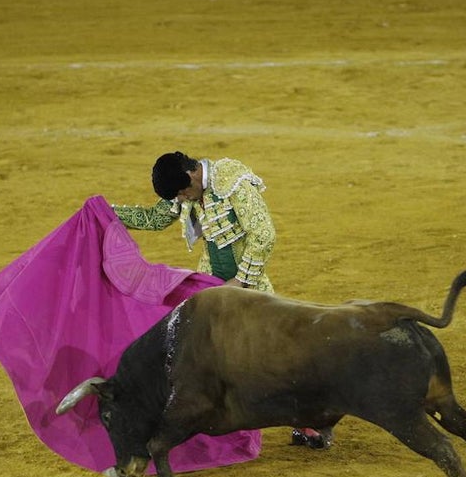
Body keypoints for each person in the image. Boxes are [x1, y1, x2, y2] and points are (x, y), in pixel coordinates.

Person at [112, 151, 332, 449]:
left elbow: (263, 235)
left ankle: (308, 421)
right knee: (206, 356)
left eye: (182, 192)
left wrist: (240, 281)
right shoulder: (187, 190)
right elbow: (155, 218)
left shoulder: (232, 181)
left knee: (271, 357)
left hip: (249, 287)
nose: (182, 199)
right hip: (211, 286)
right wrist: (108, 213)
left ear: (191, 175)